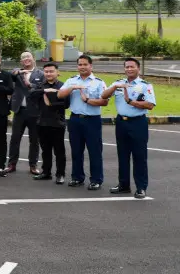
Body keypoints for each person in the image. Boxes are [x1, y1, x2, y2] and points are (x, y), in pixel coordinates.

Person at [103, 57, 155, 198]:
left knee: (139, 156)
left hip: (138, 122)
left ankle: (141, 187)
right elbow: (104, 95)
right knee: (123, 155)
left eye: (132, 67)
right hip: (121, 123)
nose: (129, 69)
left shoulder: (145, 85)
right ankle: (123, 185)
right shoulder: (118, 83)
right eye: (127, 67)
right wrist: (114, 87)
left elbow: (150, 105)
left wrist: (131, 102)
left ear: (138, 68)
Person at [58, 55, 108, 190]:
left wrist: (88, 100)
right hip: (75, 120)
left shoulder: (98, 82)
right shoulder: (72, 80)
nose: (82, 67)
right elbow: (60, 95)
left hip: (92, 120)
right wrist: (72, 88)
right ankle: (77, 177)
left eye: (85, 64)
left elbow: (104, 101)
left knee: (94, 151)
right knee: (76, 151)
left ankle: (96, 179)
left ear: (91, 66)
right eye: (80, 64)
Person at [8, 51, 45, 175]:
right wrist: (18, 72)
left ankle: (33, 165)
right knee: (15, 138)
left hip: (34, 111)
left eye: (28, 56)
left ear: (33, 58)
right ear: (21, 61)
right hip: (19, 111)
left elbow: (42, 89)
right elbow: (10, 75)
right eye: (23, 58)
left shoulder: (40, 74)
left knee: (34, 140)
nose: (26, 59)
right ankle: (12, 164)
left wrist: (31, 85)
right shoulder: (17, 72)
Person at [31, 63, 69, 185]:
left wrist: (51, 104)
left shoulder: (63, 86)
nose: (48, 73)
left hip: (57, 123)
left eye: (51, 71)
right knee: (45, 150)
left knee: (59, 151)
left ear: (57, 72)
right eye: (46, 71)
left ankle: (60, 174)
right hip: (42, 122)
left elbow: (66, 104)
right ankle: (46, 172)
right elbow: (31, 95)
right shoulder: (40, 86)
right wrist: (45, 90)